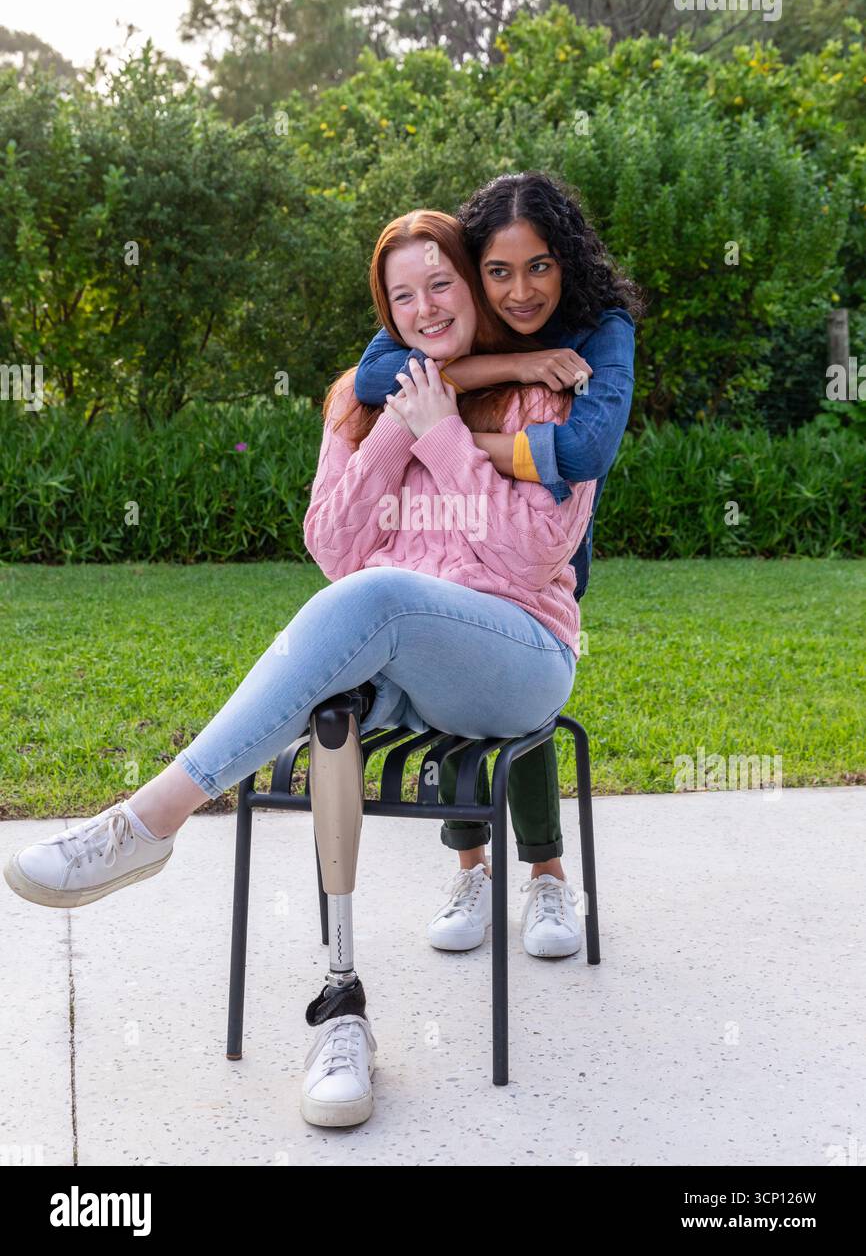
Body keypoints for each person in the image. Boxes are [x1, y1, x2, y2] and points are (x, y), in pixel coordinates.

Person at [3, 208, 599, 1126]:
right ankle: (341, 1008)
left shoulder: (550, 396)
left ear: (475, 287)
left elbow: (530, 556)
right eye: (402, 297)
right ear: (384, 312)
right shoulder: (357, 403)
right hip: (401, 659)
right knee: (336, 698)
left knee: (378, 600)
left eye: (442, 284)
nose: (427, 309)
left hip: (518, 656)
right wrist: (402, 426)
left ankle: (149, 819)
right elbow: (332, 543)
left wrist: (446, 436)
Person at [353, 171, 643, 941]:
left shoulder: (600, 330)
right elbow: (376, 378)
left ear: (567, 263)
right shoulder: (454, 312)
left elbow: (582, 447)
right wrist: (510, 366)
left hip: (540, 543)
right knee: (455, 662)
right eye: (499, 271)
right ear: (475, 271)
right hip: (449, 538)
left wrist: (449, 433)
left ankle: (547, 878)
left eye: (540, 266)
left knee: (521, 690)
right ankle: (471, 872)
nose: (520, 293)